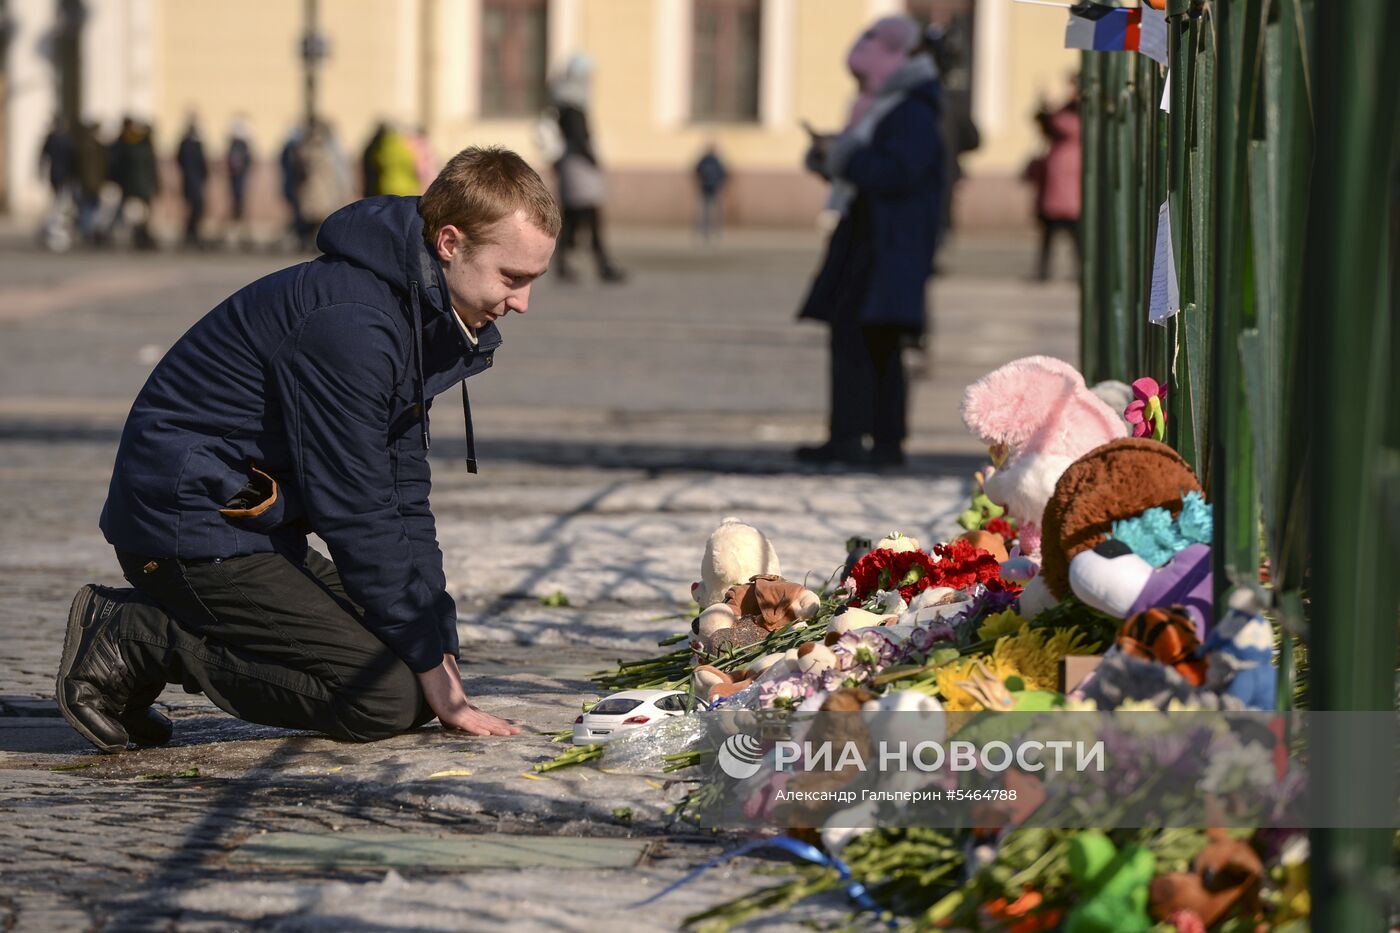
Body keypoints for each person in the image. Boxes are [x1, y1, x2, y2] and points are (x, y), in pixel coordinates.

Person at [55, 147, 561, 753]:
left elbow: (402, 490)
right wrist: (428, 666)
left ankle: (162, 635)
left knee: (414, 650)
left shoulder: (417, 312)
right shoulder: (351, 324)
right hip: (185, 530)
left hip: (248, 524)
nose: (523, 303)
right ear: (449, 243)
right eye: (513, 278)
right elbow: (356, 506)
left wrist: (437, 641)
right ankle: (138, 636)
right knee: (385, 698)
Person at [795, 15, 945, 468]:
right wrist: (832, 155)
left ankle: (876, 441)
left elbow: (897, 172)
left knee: (875, 342)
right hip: (870, 238)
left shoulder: (911, 110)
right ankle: (853, 435)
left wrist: (844, 155)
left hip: (888, 244)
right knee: (857, 340)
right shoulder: (888, 105)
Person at [547, 54, 625, 283]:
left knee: (572, 219)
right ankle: (602, 264)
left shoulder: (564, 102)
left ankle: (566, 264)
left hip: (572, 167)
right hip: (579, 169)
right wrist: (593, 159)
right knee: (589, 216)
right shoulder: (573, 105)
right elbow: (579, 138)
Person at [1029, 76, 1082, 281]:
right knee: (1054, 231)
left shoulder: (1071, 115)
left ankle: (1049, 270)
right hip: (1062, 181)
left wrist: (1048, 112)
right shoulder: (1067, 111)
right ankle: (1045, 270)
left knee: (1067, 231)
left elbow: (1058, 125)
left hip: (1067, 179)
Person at [176, 117, 210, 249]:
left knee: (196, 207)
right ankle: (190, 233)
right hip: (191, 180)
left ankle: (192, 233)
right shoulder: (188, 143)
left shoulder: (194, 143)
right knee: (194, 207)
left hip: (194, 179)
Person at [225, 116, 253, 249]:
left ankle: (238, 231)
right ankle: (235, 232)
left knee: (238, 204)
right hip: (236, 182)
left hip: (239, 181)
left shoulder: (239, 145)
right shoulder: (237, 145)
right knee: (236, 204)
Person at [694, 142, 728, 243]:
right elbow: (697, 171)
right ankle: (704, 231)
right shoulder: (704, 160)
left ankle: (715, 231)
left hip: (714, 188)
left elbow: (723, 173)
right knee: (705, 211)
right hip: (705, 188)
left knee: (714, 210)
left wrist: (720, 184)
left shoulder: (717, 161)